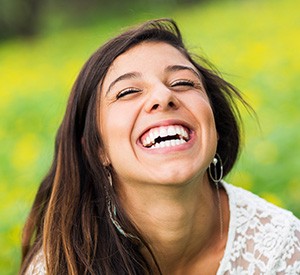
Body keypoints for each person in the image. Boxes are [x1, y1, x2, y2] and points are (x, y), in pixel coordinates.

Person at [20, 18, 300, 275]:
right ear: (97, 148)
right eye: (128, 91)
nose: (164, 96)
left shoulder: (281, 246)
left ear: (213, 121)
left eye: (182, 83)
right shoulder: (60, 265)